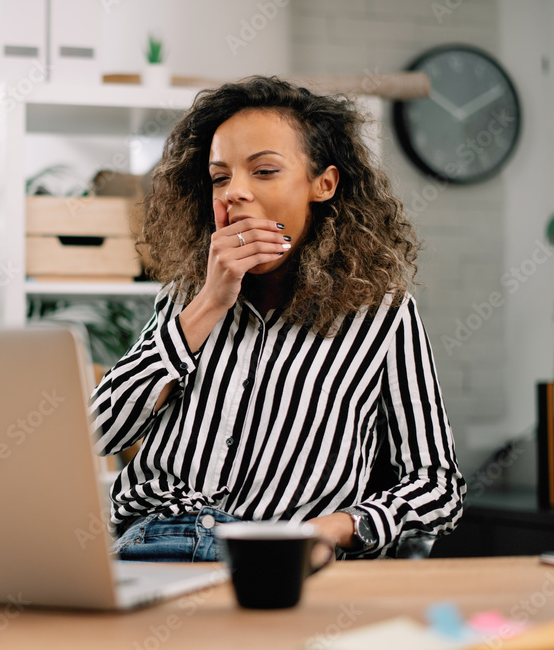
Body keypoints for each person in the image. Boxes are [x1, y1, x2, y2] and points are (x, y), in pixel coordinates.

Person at [89, 76, 464, 561]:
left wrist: (332, 529)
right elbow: (100, 433)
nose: (234, 193)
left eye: (264, 171)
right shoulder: (187, 299)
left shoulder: (382, 315)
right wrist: (209, 304)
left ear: (323, 184)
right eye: (220, 177)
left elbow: (437, 486)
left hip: (270, 556)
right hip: (146, 542)